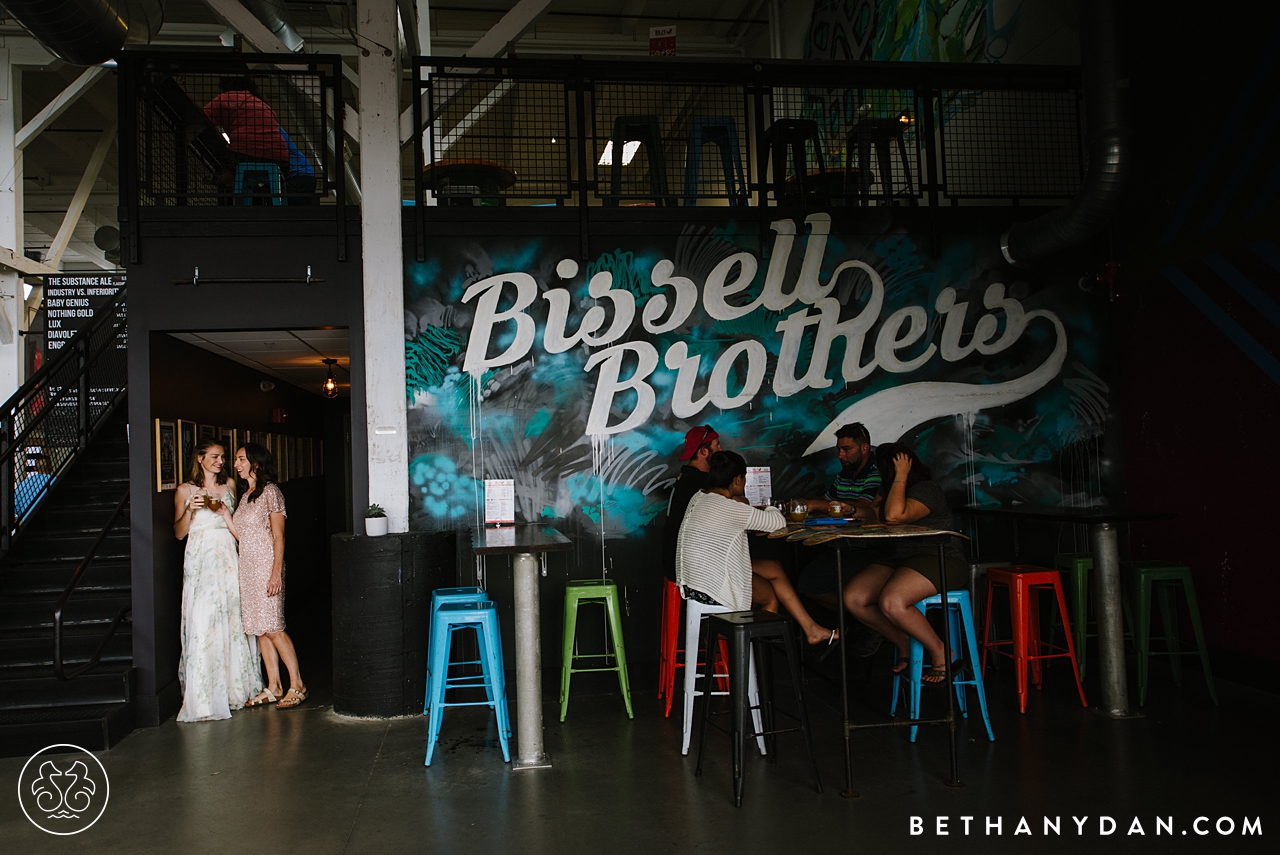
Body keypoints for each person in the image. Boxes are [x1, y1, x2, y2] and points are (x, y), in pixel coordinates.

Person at [676, 451, 837, 647]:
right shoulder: (730, 507)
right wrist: (767, 505)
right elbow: (776, 522)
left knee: (774, 568)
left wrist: (742, 505)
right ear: (737, 480)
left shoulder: (701, 497)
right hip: (713, 584)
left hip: (698, 578)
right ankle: (747, 656)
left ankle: (811, 629)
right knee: (769, 597)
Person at [841, 442, 969, 683]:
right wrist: (852, 509)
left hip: (939, 556)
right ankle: (904, 642)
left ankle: (941, 651)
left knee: (892, 601)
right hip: (902, 556)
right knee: (855, 597)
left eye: (882, 468)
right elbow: (875, 511)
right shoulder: (890, 488)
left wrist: (901, 475)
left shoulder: (925, 489)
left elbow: (893, 516)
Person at [172, 439, 263, 722]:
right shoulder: (184, 490)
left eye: (223, 457)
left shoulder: (231, 487)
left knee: (234, 620)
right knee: (203, 622)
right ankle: (205, 696)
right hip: (200, 561)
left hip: (228, 557)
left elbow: (239, 525)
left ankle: (237, 689)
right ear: (199, 458)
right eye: (215, 457)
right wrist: (190, 509)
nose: (221, 462)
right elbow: (178, 534)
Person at [227, 443, 307, 709]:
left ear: (256, 463)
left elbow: (279, 535)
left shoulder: (271, 492)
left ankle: (297, 684)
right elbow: (243, 536)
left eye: (241, 459)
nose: (236, 464)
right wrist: (224, 515)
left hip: (266, 566)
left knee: (273, 627)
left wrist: (275, 573)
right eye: (236, 460)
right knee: (260, 630)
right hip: (247, 567)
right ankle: (274, 686)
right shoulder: (246, 494)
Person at [661, 425, 722, 579]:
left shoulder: (687, 476)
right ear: (704, 451)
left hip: (676, 561)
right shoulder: (700, 483)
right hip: (688, 567)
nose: (721, 450)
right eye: (717, 445)